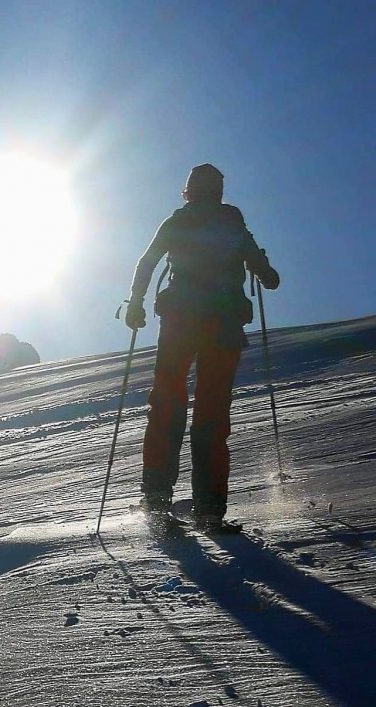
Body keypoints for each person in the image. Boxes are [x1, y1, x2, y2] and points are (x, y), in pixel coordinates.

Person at [124, 163, 280, 527]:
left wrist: (136, 302)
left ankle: (156, 495)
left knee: (166, 400)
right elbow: (266, 275)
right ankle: (209, 508)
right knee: (212, 410)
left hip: (180, 320)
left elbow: (147, 262)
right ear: (219, 191)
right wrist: (266, 271)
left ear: (189, 191)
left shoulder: (178, 221)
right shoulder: (233, 223)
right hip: (223, 325)